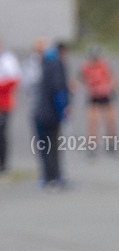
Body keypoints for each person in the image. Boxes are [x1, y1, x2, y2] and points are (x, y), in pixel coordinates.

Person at [32, 42, 70, 188]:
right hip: (50, 114)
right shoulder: (56, 66)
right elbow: (58, 90)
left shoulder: (45, 65)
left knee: (45, 146)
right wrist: (63, 109)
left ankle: (49, 176)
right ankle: (53, 177)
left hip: (40, 113)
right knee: (52, 146)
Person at [78, 46, 119, 155]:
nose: (94, 60)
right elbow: (79, 80)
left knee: (111, 120)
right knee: (93, 120)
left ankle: (112, 143)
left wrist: (113, 87)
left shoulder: (105, 65)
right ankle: (92, 145)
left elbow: (113, 78)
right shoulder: (85, 67)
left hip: (106, 94)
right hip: (93, 95)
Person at [0, 38, 22, 175]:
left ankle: (3, 163)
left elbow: (14, 79)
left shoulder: (8, 59)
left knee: (2, 134)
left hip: (3, 103)